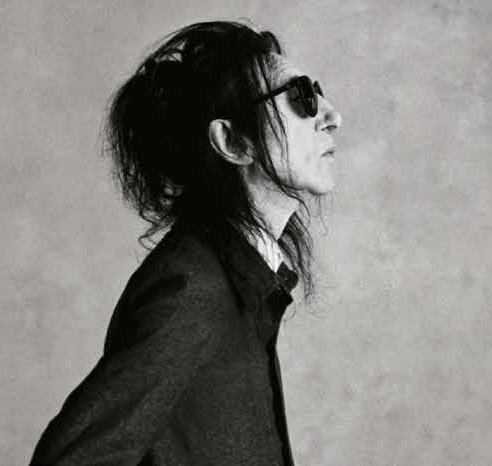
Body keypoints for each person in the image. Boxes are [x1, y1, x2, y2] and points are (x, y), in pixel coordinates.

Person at [29, 20, 343, 465]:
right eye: (301, 97)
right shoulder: (190, 288)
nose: (332, 116)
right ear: (232, 141)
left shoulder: (241, 275)